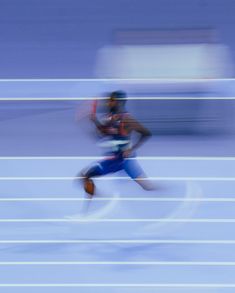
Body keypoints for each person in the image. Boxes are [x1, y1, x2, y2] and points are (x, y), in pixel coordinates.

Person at [80, 90, 154, 197]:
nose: (108, 103)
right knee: (147, 186)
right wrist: (94, 120)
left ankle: (95, 202)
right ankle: (94, 201)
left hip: (122, 160)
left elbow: (146, 133)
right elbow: (102, 133)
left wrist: (131, 149)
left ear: (119, 102)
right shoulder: (109, 117)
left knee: (85, 175)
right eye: (109, 100)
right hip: (114, 158)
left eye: (111, 100)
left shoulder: (127, 119)